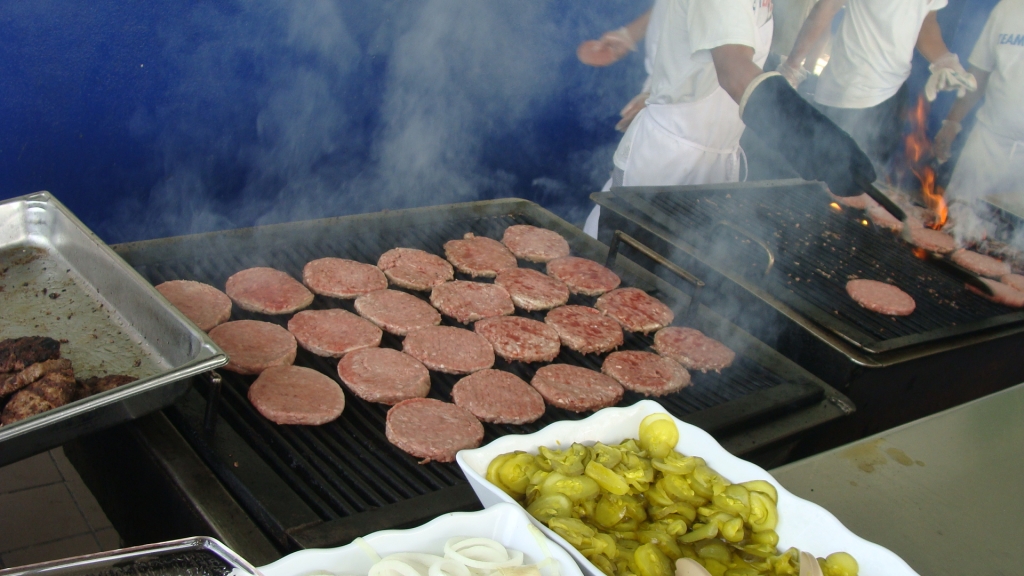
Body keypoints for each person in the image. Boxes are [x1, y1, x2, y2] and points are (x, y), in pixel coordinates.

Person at [583, 0, 880, 240]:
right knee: (619, 267)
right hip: (670, 158)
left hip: (718, 154)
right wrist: (818, 143)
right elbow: (734, 71)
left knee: (674, 280)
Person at [778, 0, 977, 177]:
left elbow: (926, 20)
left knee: (868, 184)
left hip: (894, 93)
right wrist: (793, 65)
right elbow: (828, 6)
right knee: (828, 182)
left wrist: (945, 61)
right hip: (850, 91)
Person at [934, 0, 1024, 239]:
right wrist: (952, 123)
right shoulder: (1008, 8)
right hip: (987, 143)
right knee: (952, 223)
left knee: (1011, 246)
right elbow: (979, 74)